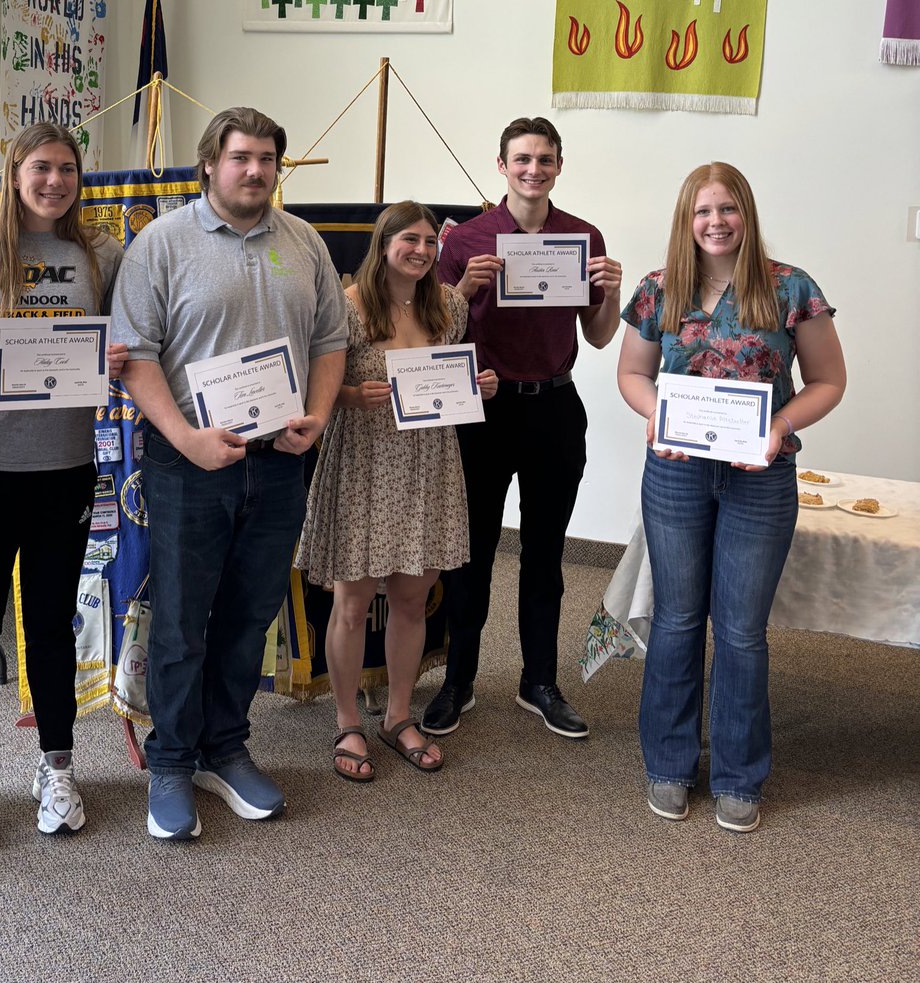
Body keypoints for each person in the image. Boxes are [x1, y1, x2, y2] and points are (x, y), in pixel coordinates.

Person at [114, 106, 347, 840]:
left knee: (251, 613)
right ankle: (173, 760)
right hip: (190, 464)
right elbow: (136, 355)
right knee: (182, 620)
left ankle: (226, 745)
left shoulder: (303, 242)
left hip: (279, 461)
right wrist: (184, 438)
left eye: (268, 158)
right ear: (209, 163)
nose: (255, 170)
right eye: (241, 157)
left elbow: (331, 341)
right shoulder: (160, 245)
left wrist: (317, 413)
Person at [616, 162, 845, 832]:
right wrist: (658, 417)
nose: (715, 223)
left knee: (742, 631)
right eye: (702, 211)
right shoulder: (659, 288)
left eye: (727, 209)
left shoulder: (790, 287)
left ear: (746, 213)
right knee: (677, 619)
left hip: (760, 476)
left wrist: (781, 426)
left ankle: (742, 772)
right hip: (677, 473)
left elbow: (828, 380)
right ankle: (669, 763)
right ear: (686, 220)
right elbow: (633, 372)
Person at [0, 123, 127, 850]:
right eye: (41, 168)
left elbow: (126, 338)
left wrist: (114, 353)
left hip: (66, 468)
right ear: (13, 172)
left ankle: (57, 767)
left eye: (68, 170)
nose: (55, 181)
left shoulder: (101, 252)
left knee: (49, 628)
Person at [422, 117, 623, 739]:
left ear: (559, 165)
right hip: (482, 409)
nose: (533, 169)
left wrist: (610, 293)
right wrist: (461, 287)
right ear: (501, 165)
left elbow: (596, 334)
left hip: (554, 408)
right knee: (472, 551)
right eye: (522, 159)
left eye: (545, 159)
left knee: (545, 552)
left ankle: (539, 681)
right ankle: (459, 680)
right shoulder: (466, 239)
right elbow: (431, 335)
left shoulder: (582, 236)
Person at [294, 201, 497, 781]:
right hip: (362, 465)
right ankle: (347, 718)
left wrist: (481, 386)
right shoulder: (349, 306)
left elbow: (454, 382)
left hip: (429, 467)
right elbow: (314, 387)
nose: (422, 250)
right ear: (383, 244)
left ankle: (399, 715)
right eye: (410, 239)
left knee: (412, 601)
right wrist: (350, 398)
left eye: (431, 241)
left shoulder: (450, 305)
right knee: (352, 604)